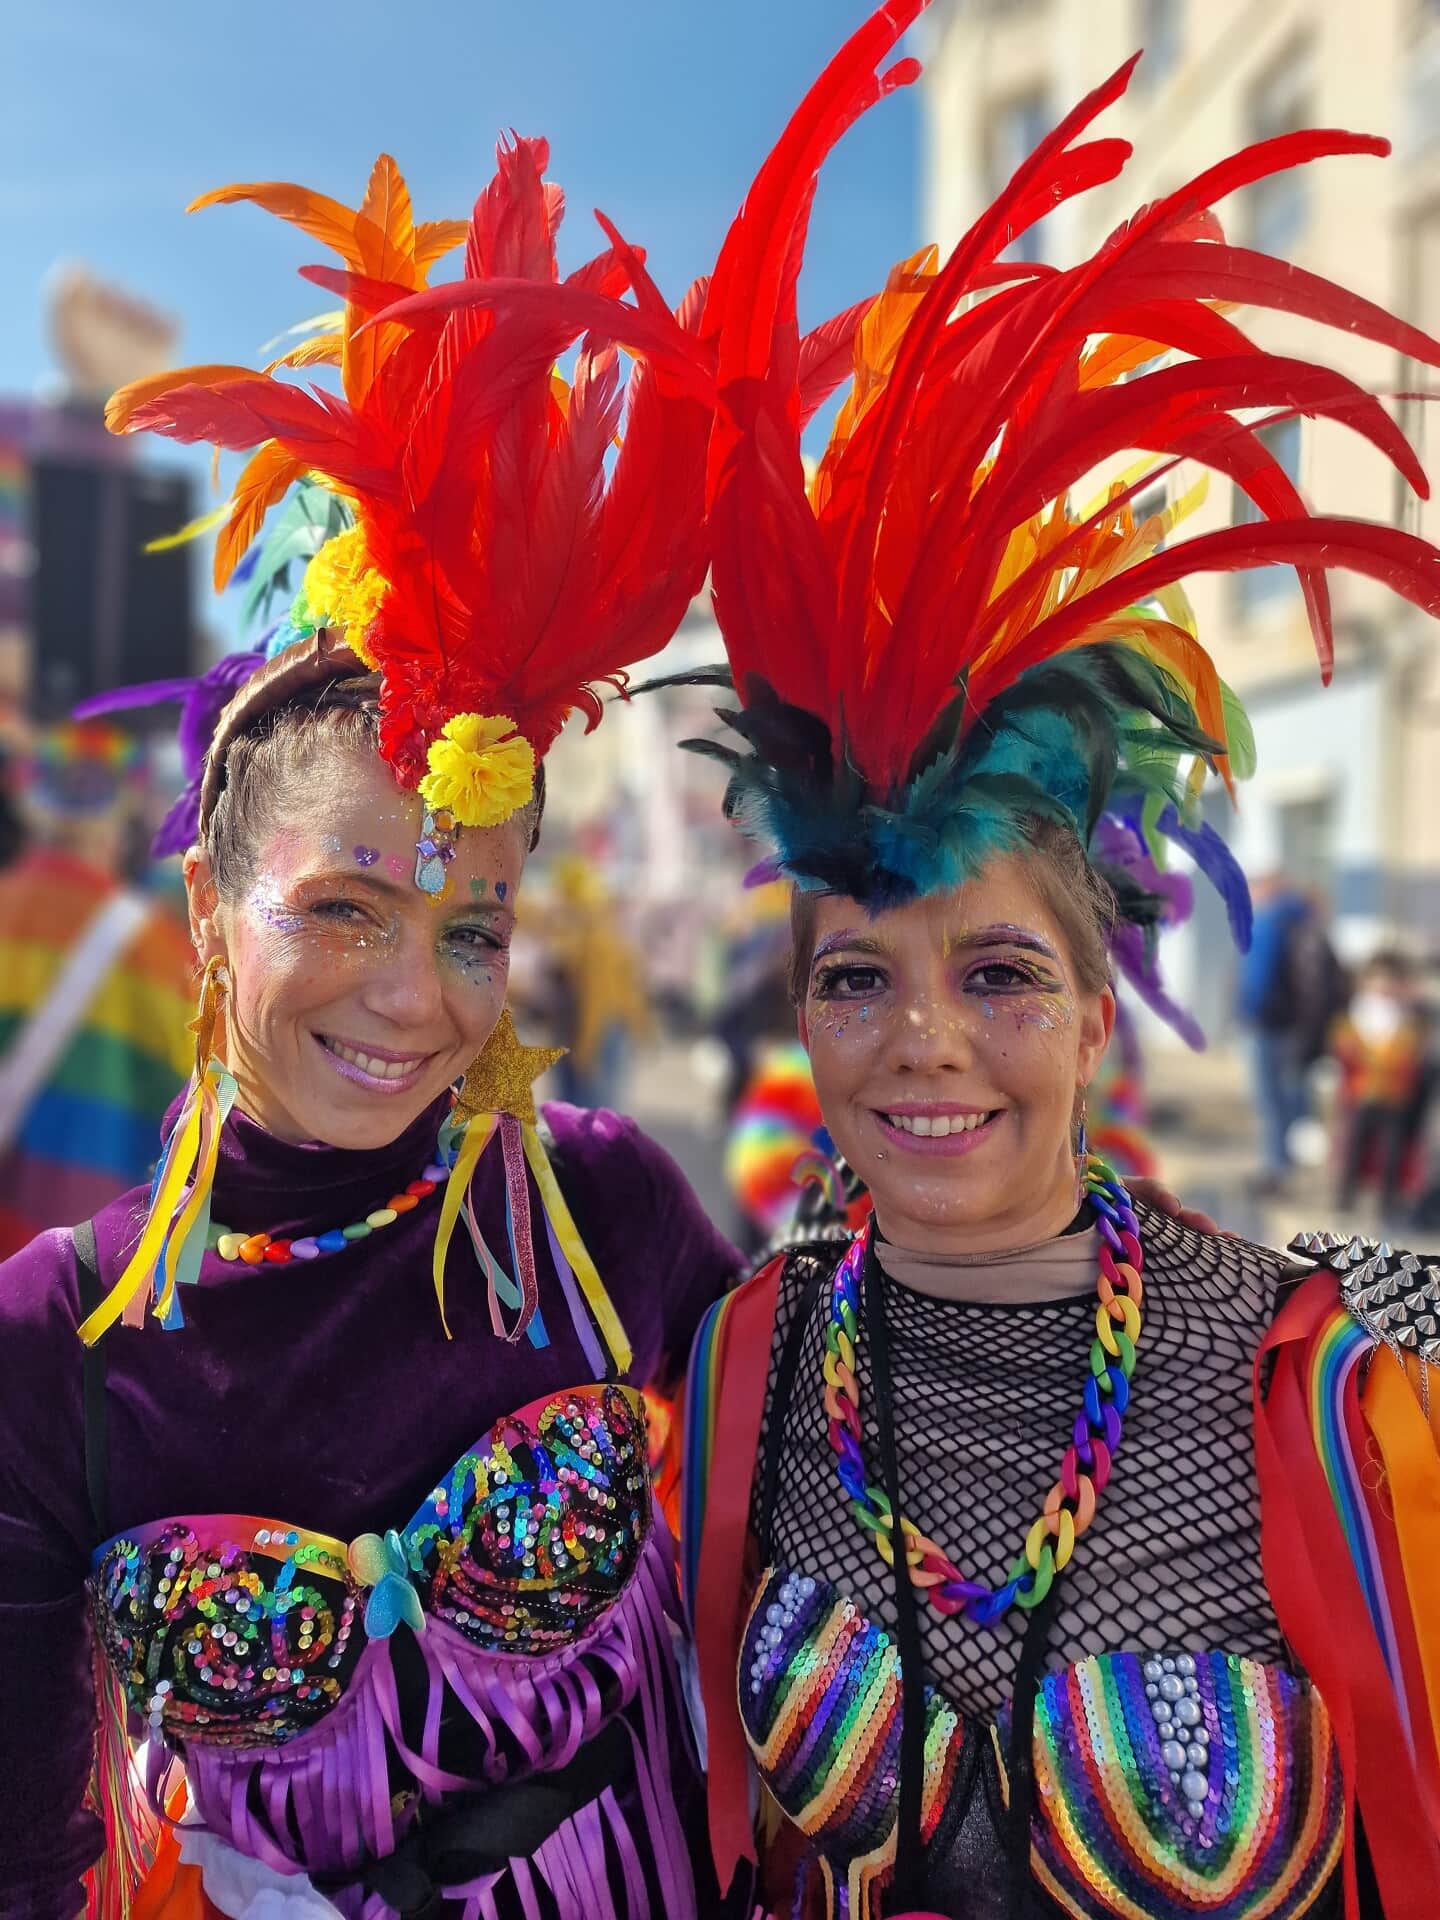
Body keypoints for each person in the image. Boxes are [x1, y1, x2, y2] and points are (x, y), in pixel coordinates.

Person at [678, 8, 1440, 1918]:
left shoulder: (1327, 1379)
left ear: (1100, 1011)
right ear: (801, 1015)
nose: (926, 1044)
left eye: (998, 974)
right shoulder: (747, 1366)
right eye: (859, 978)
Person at [0, 141, 747, 1920]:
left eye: (470, 926)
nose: (415, 999)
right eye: (341, 910)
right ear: (204, 916)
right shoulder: (55, 1343)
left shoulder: (602, 1213)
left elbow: (821, 1509)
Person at [0, 720, 194, 1259]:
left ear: (29, 799)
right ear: (126, 804)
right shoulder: (156, 953)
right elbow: (186, 1123)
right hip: (72, 1276)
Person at [1238, 876, 1348, 1195]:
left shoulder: (1273, 924)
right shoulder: (1297, 926)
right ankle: (1283, 1166)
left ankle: (1276, 1170)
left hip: (1271, 1024)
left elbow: (1258, 982)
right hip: (1288, 1026)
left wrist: (1250, 1014)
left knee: (1272, 1100)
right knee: (1287, 1100)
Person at [1331, 949, 1429, 1219]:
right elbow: (1344, 1046)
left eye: (1390, 980)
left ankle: (1388, 1198)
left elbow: (1414, 1052)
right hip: (1362, 1092)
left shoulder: (1408, 1016)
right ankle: (1346, 1194)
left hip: (1395, 1094)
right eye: (1379, 979)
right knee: (1354, 1145)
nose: (1384, 985)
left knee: (1393, 1149)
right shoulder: (1356, 1012)